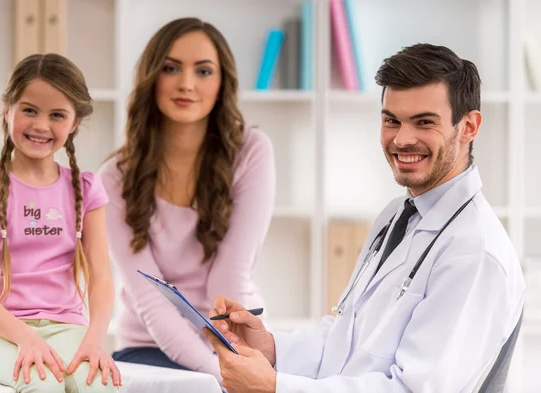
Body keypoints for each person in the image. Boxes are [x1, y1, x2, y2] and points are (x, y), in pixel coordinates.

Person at [203, 43, 526, 393]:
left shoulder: (474, 252)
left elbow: (412, 390)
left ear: (469, 126)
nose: (402, 139)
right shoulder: (397, 216)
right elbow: (344, 341)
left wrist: (274, 387)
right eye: (391, 121)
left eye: (424, 123)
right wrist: (269, 347)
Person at [97, 17, 275, 382]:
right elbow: (150, 301)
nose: (187, 84)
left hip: (234, 337)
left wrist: (234, 362)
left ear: (222, 82)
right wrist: (220, 377)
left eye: (204, 71)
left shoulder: (252, 152)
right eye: (170, 68)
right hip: (149, 346)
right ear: (151, 77)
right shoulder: (114, 177)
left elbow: (230, 277)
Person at [0, 53, 121, 392]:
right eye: (29, 110)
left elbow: (102, 278)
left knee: (99, 386)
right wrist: (25, 338)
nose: (41, 125)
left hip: (66, 327)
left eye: (57, 115)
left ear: (74, 123)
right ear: (8, 109)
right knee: (42, 384)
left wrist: (95, 339)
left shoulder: (86, 188)